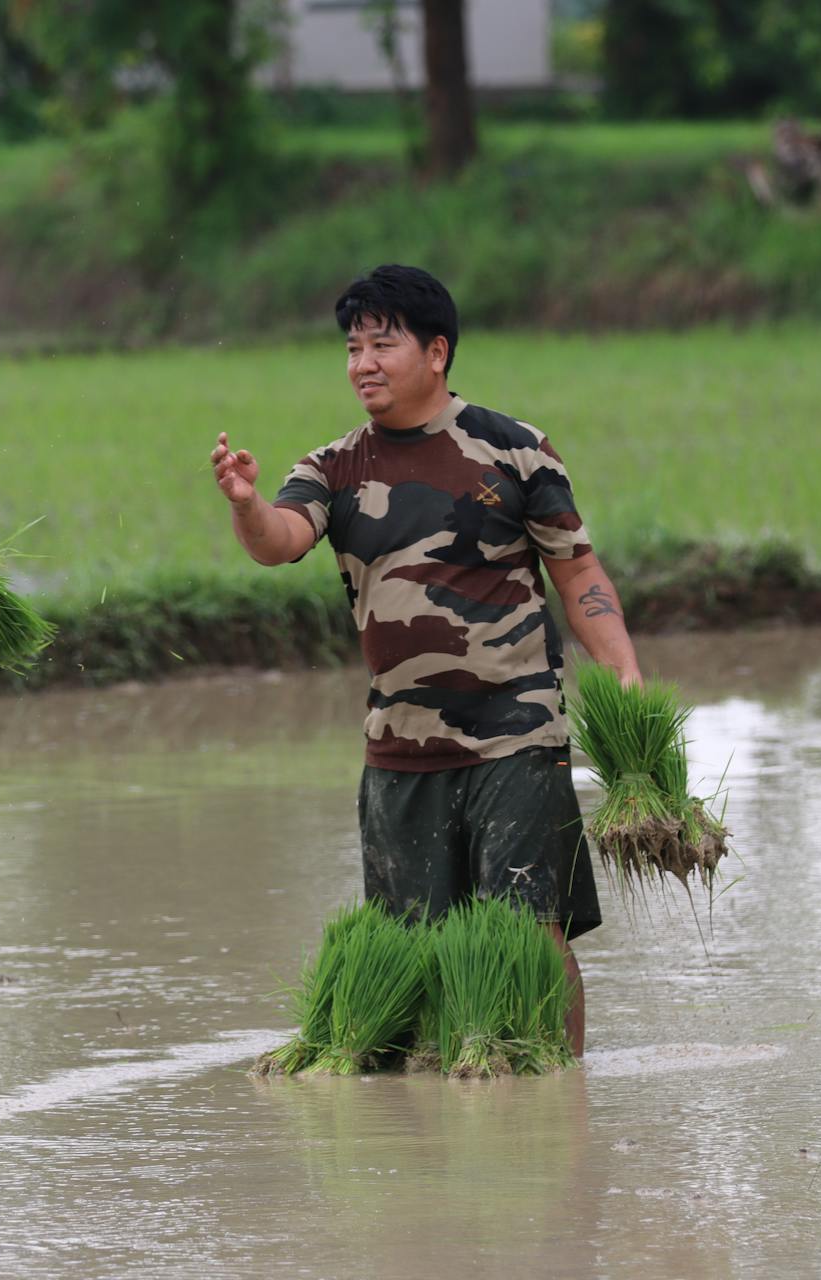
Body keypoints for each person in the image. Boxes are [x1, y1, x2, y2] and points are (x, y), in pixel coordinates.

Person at [207, 264, 642, 1055]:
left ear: (436, 352)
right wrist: (246, 506)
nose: (363, 363)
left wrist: (623, 672)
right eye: (352, 347)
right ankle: (462, 1099)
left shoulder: (515, 452)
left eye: (383, 343)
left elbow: (578, 572)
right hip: (400, 747)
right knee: (413, 954)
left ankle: (561, 1094)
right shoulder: (333, 468)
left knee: (531, 931)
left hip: (517, 733)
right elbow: (281, 543)